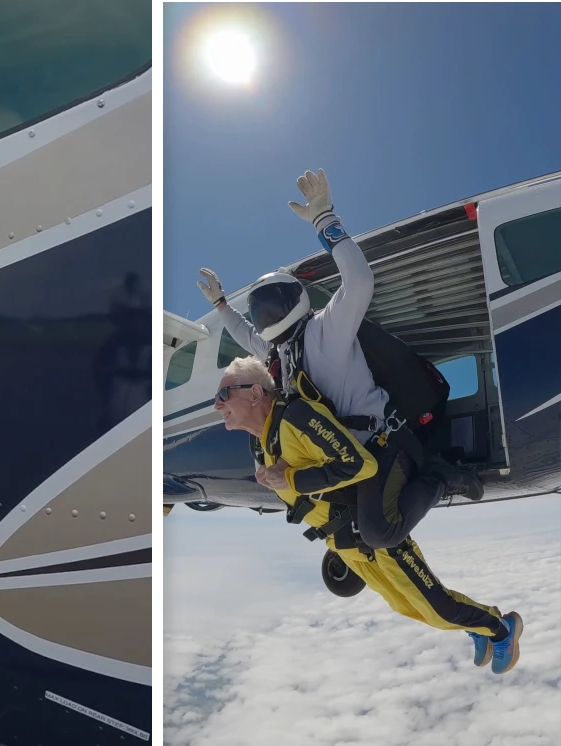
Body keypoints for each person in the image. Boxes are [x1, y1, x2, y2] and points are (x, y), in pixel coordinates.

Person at [195, 169, 479, 551]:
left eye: (267, 307)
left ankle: (440, 477)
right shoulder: (283, 355)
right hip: (347, 458)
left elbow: (359, 282)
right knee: (349, 532)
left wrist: (324, 220)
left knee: (380, 534)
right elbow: (246, 334)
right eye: (259, 310)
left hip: (386, 444)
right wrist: (221, 306)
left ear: (289, 301)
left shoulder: (325, 330)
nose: (263, 317)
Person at [212, 356, 523, 673]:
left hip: (371, 531)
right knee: (408, 606)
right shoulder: (266, 444)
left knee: (436, 609)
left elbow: (359, 465)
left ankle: (502, 630)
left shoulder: (295, 416)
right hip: (348, 545)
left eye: (223, 395)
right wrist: (279, 480)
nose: (216, 406)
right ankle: (480, 621)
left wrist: (290, 479)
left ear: (254, 393)